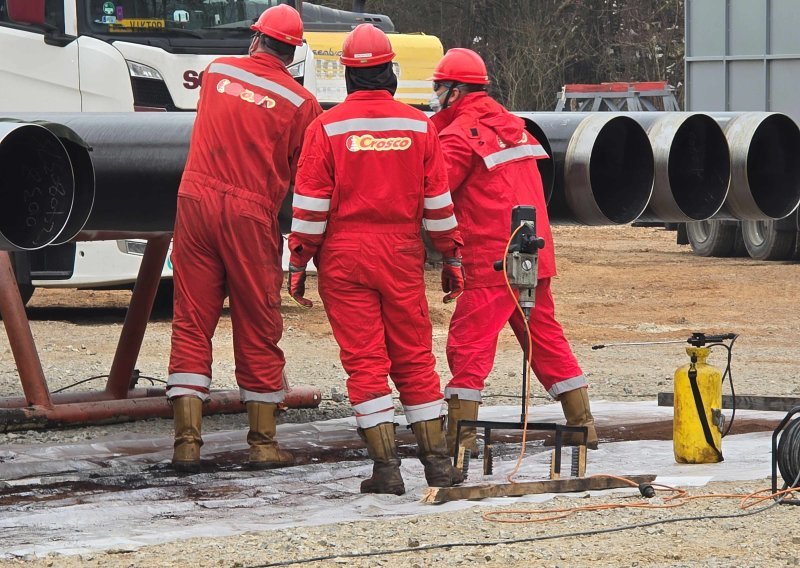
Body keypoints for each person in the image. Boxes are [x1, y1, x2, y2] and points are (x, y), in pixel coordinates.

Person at [287, 24, 465, 495]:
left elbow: (309, 210)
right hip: (401, 254)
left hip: (343, 257)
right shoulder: (420, 125)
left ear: (347, 76)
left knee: (364, 361)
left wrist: (298, 262)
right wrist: (451, 257)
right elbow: (439, 206)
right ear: (390, 71)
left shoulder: (325, 128)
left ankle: (386, 470)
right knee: (413, 357)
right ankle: (439, 468)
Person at [166, 4, 322, 473]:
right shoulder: (302, 104)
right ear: (292, 51)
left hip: (193, 200)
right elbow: (304, 174)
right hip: (251, 213)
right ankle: (262, 443)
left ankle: (187, 445)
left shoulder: (216, 72)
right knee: (257, 321)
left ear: (256, 40)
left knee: (192, 320)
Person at [428, 48, 598, 457]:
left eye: (438, 87)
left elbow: (435, 191)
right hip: (532, 251)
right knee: (545, 338)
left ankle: (461, 438)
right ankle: (583, 424)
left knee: (469, 343)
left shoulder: (458, 135)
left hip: (493, 256)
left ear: (455, 91)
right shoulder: (513, 126)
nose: (435, 95)